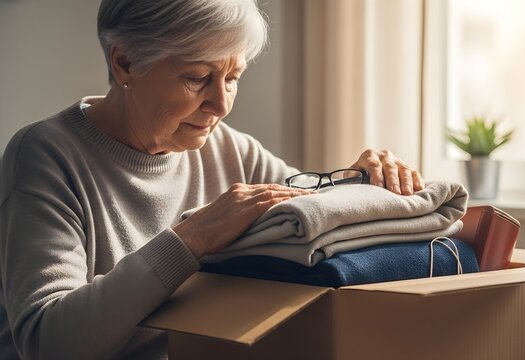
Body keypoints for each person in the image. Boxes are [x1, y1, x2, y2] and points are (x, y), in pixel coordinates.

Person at [0, 0, 425, 358]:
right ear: (125, 62)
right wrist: (190, 240)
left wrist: (362, 181)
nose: (220, 104)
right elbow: (47, 341)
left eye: (233, 78)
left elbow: (307, 213)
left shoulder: (229, 149)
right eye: (197, 78)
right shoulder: (46, 154)